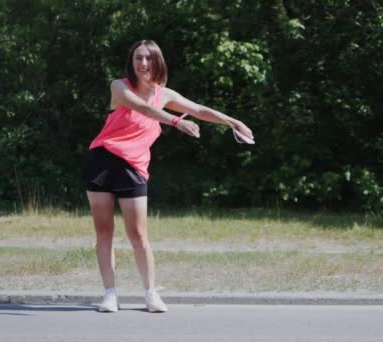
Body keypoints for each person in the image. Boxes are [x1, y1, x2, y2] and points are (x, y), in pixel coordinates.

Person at [83, 40, 254, 313]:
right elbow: (140, 107)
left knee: (138, 234)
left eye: (149, 59)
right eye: (138, 58)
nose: (143, 64)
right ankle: (110, 295)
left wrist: (233, 121)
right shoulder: (119, 86)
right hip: (102, 160)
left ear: (157, 62)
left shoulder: (165, 95)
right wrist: (175, 121)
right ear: (132, 61)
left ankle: (150, 294)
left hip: (134, 167)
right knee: (104, 232)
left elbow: (198, 109)